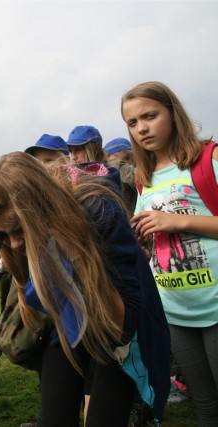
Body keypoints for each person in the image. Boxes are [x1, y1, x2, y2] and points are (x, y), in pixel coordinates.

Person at [0, 152, 170, 426]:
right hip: (69, 322)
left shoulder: (99, 209)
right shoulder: (24, 232)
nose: (15, 244)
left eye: (19, 230)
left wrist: (71, 245)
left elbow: (122, 324)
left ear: (41, 207)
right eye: (3, 234)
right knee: (54, 417)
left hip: (116, 327)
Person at [122, 80, 218, 426]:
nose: (142, 128)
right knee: (204, 401)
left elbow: (175, 222)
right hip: (175, 308)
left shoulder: (208, 158)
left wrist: (174, 221)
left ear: (173, 113)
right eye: (132, 123)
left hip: (215, 302)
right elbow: (160, 234)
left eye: (150, 115)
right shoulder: (143, 177)